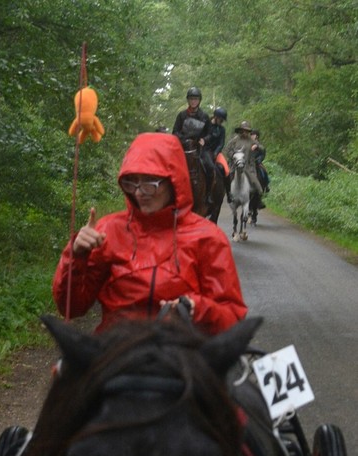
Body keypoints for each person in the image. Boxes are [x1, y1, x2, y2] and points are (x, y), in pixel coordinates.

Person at [53, 132, 247, 336]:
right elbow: (71, 308)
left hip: (183, 355)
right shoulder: (108, 230)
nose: (138, 192)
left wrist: (195, 309)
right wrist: (76, 256)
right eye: (131, 182)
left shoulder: (208, 238)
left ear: (173, 181)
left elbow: (232, 317)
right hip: (114, 352)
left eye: (150, 183)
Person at [172, 88, 214, 202]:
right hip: (185, 147)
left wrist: (204, 140)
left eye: (196, 99)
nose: (193, 101)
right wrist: (184, 139)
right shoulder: (182, 115)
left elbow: (210, 133)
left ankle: (208, 194)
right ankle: (172, 194)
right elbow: (175, 132)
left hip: (200, 148)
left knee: (210, 167)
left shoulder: (204, 116)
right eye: (191, 99)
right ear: (188, 100)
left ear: (199, 100)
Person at [225, 120, 265, 209]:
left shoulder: (251, 140)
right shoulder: (234, 140)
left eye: (247, 131)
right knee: (227, 178)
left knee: (257, 186)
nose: (245, 133)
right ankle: (228, 195)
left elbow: (262, 148)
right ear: (240, 130)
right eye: (243, 130)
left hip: (248, 166)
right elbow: (227, 150)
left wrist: (257, 146)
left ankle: (257, 201)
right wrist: (234, 156)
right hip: (235, 165)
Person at [202, 107, 232, 202]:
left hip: (216, 152)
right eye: (221, 119)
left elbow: (221, 143)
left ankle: (229, 193)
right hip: (204, 150)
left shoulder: (222, 129)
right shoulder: (206, 125)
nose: (222, 121)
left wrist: (216, 152)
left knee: (226, 170)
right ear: (216, 117)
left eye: (223, 120)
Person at [250, 129, 270, 193]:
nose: (252, 136)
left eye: (253, 134)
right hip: (249, 161)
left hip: (257, 160)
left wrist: (257, 146)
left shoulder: (258, 143)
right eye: (251, 134)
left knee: (263, 171)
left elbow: (263, 150)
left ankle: (266, 185)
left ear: (257, 136)